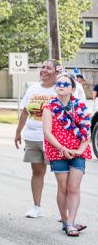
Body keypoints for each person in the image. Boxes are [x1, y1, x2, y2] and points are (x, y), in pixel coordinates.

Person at [14, 59, 86, 218]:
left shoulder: (60, 88)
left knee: (62, 178)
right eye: (42, 67)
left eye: (48, 68)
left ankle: (65, 214)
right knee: (37, 171)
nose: (44, 70)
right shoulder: (33, 88)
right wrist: (18, 131)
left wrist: (65, 76)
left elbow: (77, 95)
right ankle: (36, 206)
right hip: (33, 136)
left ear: (56, 71)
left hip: (55, 140)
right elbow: (25, 111)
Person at [42, 75, 92, 236]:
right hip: (58, 151)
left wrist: (80, 149)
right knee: (63, 187)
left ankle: (71, 222)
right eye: (58, 83)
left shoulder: (81, 106)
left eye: (65, 84)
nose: (61, 86)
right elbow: (47, 133)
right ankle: (65, 221)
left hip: (78, 151)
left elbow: (86, 132)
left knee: (74, 187)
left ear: (72, 89)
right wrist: (62, 148)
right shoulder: (49, 107)